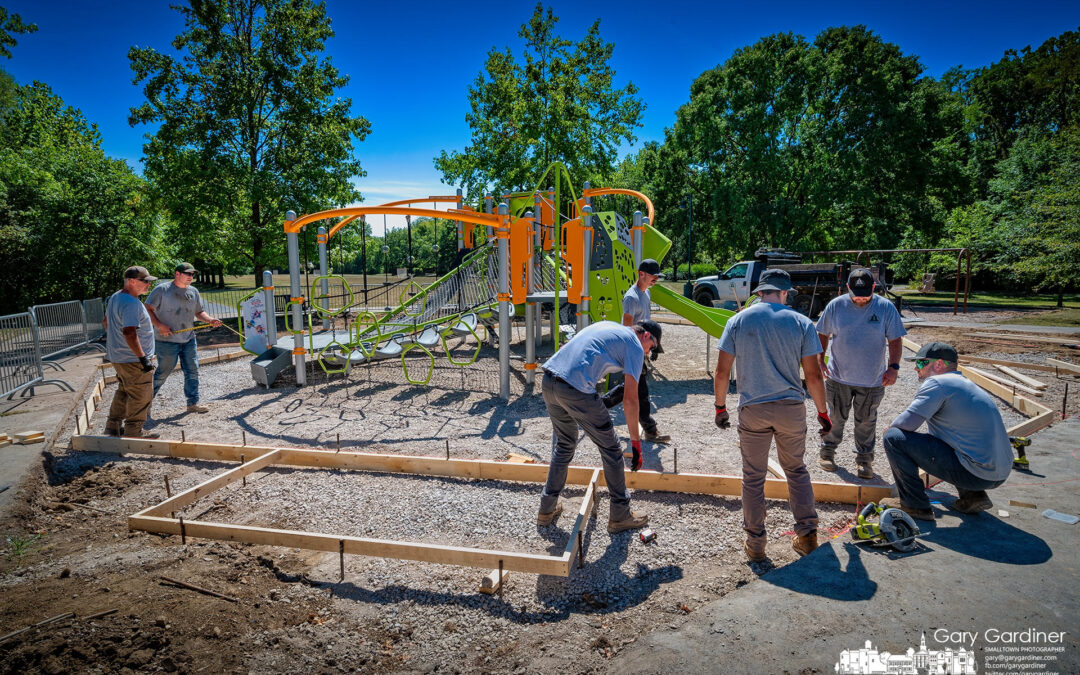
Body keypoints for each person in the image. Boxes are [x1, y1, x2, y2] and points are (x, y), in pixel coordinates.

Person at [713, 269, 831, 561]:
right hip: (791, 409)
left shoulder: (737, 320)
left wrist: (720, 407)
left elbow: (722, 371)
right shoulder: (802, 323)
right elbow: (813, 376)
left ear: (759, 292)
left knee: (752, 478)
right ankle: (807, 537)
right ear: (785, 292)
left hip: (753, 410)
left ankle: (755, 546)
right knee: (796, 471)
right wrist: (823, 412)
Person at [538, 320, 662, 534]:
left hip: (549, 381)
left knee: (565, 444)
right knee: (612, 450)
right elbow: (631, 400)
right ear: (646, 336)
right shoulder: (634, 344)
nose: (649, 353)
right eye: (652, 347)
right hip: (575, 388)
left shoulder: (609, 327)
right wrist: (635, 444)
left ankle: (546, 510)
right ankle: (620, 515)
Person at [882, 341, 1012, 520]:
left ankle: (914, 505)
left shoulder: (938, 383)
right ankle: (973, 496)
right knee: (947, 438)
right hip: (999, 471)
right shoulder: (965, 384)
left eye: (921, 363)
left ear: (939, 364)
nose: (915, 369)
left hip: (978, 473)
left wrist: (889, 428)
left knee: (893, 438)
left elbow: (906, 424)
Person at [816, 268, 906, 479]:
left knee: (866, 421)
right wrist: (820, 360)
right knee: (835, 418)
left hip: (872, 380)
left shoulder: (885, 308)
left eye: (866, 294)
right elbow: (822, 334)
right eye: (856, 294)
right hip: (838, 378)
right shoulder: (836, 306)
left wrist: (893, 367)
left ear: (873, 288)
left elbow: (895, 339)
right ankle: (827, 453)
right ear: (847, 288)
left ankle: (865, 461)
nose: (861, 299)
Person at [601, 258, 670, 443]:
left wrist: (652, 346)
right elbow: (628, 326)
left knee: (634, 388)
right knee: (640, 391)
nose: (656, 279)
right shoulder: (632, 297)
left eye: (657, 277)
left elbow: (646, 323)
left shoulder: (645, 293)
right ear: (641, 274)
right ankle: (650, 430)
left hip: (643, 346)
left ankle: (597, 407)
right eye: (653, 276)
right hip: (635, 348)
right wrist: (632, 351)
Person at [146, 262, 222, 413]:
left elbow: (199, 312)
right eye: (187, 274)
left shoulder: (193, 291)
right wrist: (160, 325)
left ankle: (192, 403)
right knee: (163, 372)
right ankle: (144, 404)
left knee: (192, 370)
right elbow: (147, 308)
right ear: (177, 274)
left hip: (188, 339)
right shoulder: (162, 290)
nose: (190, 277)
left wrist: (210, 320)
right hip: (166, 340)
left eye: (192, 274)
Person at [104, 266, 160, 439]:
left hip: (119, 357)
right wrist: (142, 357)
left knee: (124, 391)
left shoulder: (115, 297)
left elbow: (106, 322)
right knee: (141, 395)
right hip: (133, 359)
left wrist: (117, 345)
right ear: (132, 281)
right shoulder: (131, 303)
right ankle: (134, 431)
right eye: (145, 282)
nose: (148, 285)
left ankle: (113, 427)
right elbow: (129, 332)